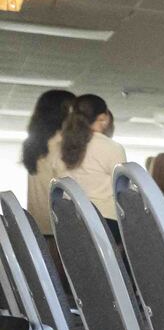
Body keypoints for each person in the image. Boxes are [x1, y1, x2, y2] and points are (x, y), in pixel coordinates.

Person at [58, 94, 128, 241]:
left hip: (71, 220)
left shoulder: (64, 146)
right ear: (104, 117)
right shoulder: (111, 147)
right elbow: (123, 189)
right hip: (105, 221)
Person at [21, 88, 75, 241]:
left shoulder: (34, 145)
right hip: (59, 229)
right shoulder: (60, 146)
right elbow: (69, 191)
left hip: (39, 226)